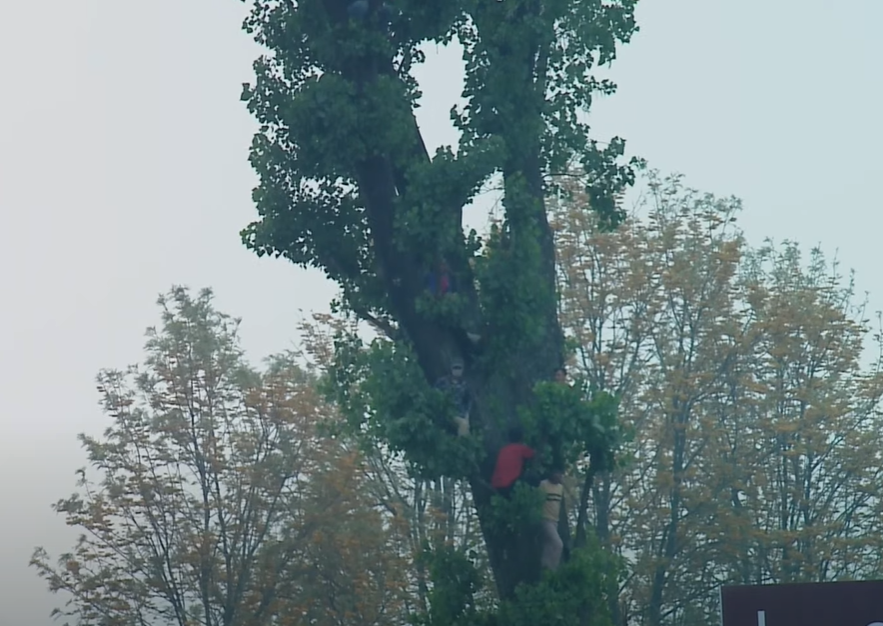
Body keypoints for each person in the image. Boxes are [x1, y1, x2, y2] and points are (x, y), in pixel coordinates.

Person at [490, 426, 536, 497]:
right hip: (509, 485)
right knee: (534, 479)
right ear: (521, 438)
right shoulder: (521, 448)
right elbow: (533, 454)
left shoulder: (503, 450)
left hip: (496, 484)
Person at [435, 358, 471, 436]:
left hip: (460, 413)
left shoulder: (465, 385)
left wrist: (467, 416)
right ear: (451, 369)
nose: (457, 371)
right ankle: (462, 444)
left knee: (465, 425)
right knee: (463, 424)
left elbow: (468, 402)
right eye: (455, 368)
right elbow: (435, 395)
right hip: (447, 412)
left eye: (459, 368)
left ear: (462, 370)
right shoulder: (442, 382)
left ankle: (464, 444)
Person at [538, 468, 565, 570]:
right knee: (558, 544)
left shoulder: (560, 488)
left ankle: (545, 568)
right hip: (545, 519)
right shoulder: (543, 485)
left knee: (548, 545)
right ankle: (553, 569)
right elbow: (538, 501)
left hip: (555, 520)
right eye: (557, 474)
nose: (559, 476)